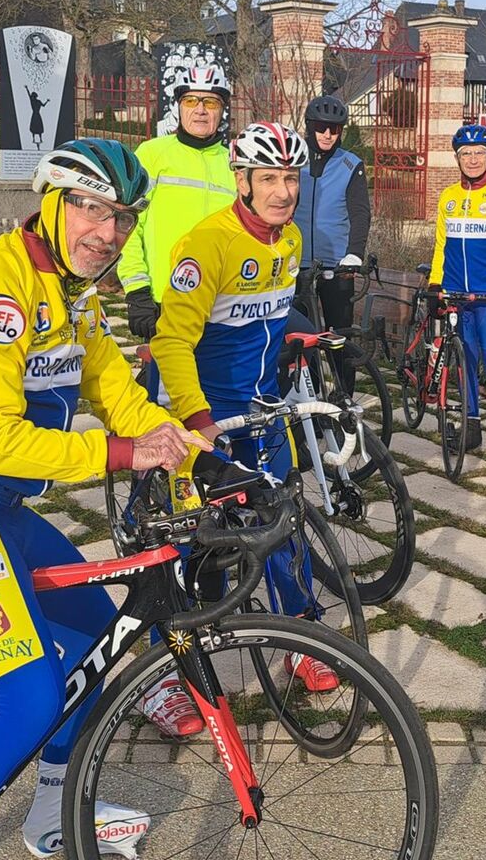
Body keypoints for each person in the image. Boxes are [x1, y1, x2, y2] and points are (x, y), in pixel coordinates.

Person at [0, 139, 215, 860]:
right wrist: (121, 453)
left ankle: (50, 815)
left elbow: (117, 392)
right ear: (53, 204)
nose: (108, 233)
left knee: (98, 647)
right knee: (28, 699)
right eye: (92, 210)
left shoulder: (72, 296)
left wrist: (191, 450)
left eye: (123, 218)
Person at [149, 121, 339, 692]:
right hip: (202, 411)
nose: (283, 191)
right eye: (269, 178)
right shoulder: (207, 245)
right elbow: (171, 342)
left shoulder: (290, 240)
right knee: (189, 545)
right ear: (242, 181)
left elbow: (270, 317)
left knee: (284, 519)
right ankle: (167, 668)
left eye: (291, 178)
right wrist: (198, 420)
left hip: (260, 407)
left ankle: (301, 637)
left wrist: (298, 337)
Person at [427, 123, 486, 466]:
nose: (472, 159)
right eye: (465, 153)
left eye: (478, 153)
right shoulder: (448, 197)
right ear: (457, 158)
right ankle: (470, 428)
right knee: (464, 362)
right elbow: (441, 246)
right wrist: (435, 285)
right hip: (456, 297)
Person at [118, 62, 234, 347]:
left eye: (210, 102)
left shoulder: (234, 162)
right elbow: (127, 225)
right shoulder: (152, 153)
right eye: (191, 100)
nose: (201, 110)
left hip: (223, 305)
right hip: (163, 301)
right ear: (179, 106)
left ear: (222, 110)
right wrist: (137, 290)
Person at [293, 94, 371, 388]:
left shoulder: (350, 164)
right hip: (296, 263)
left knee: (339, 338)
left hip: (337, 265)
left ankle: (344, 397)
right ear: (310, 126)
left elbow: (360, 213)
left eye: (335, 129)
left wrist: (354, 254)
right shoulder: (293, 160)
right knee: (299, 338)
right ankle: (308, 395)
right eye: (321, 127)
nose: (328, 134)